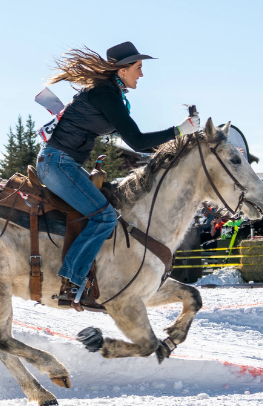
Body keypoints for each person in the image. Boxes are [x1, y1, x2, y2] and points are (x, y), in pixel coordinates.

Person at [36, 42, 199, 311]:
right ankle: (71, 282)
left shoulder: (110, 93)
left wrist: (181, 138)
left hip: (64, 164)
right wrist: (178, 131)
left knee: (106, 213)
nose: (142, 74)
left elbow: (141, 144)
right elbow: (136, 140)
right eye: (138, 68)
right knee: (104, 217)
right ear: (122, 70)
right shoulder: (105, 94)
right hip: (58, 164)